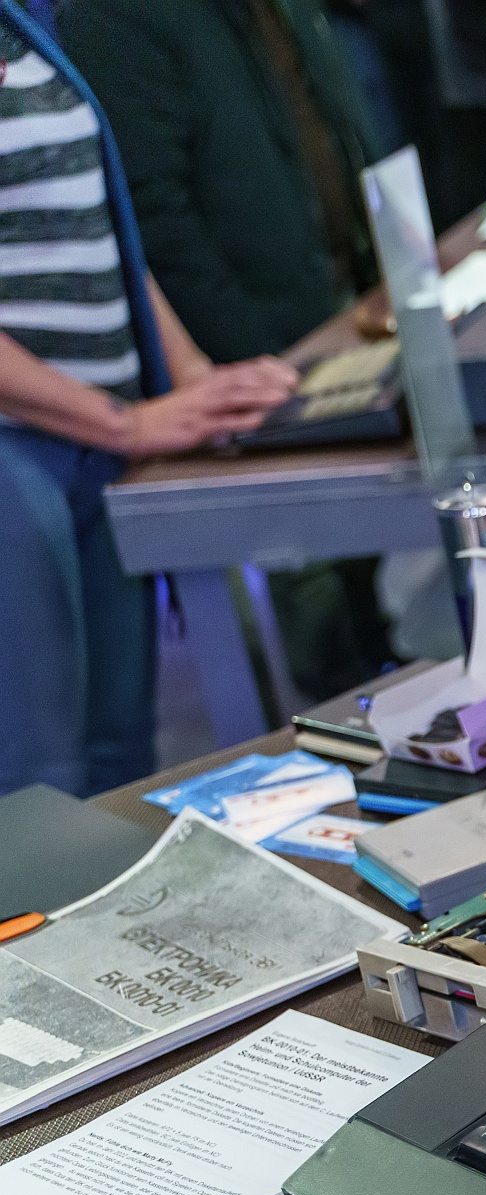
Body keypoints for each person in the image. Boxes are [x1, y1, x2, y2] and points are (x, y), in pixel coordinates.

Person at [0, 0, 298, 795]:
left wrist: (195, 376)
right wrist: (126, 422)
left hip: (96, 438)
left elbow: (101, 223)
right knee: (35, 767)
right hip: (24, 445)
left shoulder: (21, 24)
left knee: (119, 745)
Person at [55, 0, 379, 363]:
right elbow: (159, 230)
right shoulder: (115, 17)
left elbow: (335, 124)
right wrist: (264, 362)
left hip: (352, 311)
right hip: (276, 355)